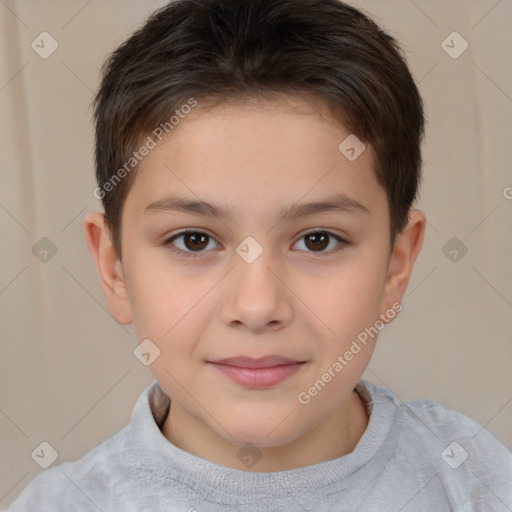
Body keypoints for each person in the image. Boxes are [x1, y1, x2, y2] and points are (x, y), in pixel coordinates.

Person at [9, 0, 512, 510]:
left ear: (395, 266)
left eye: (318, 240)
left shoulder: (476, 482)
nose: (257, 306)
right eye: (194, 240)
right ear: (115, 269)